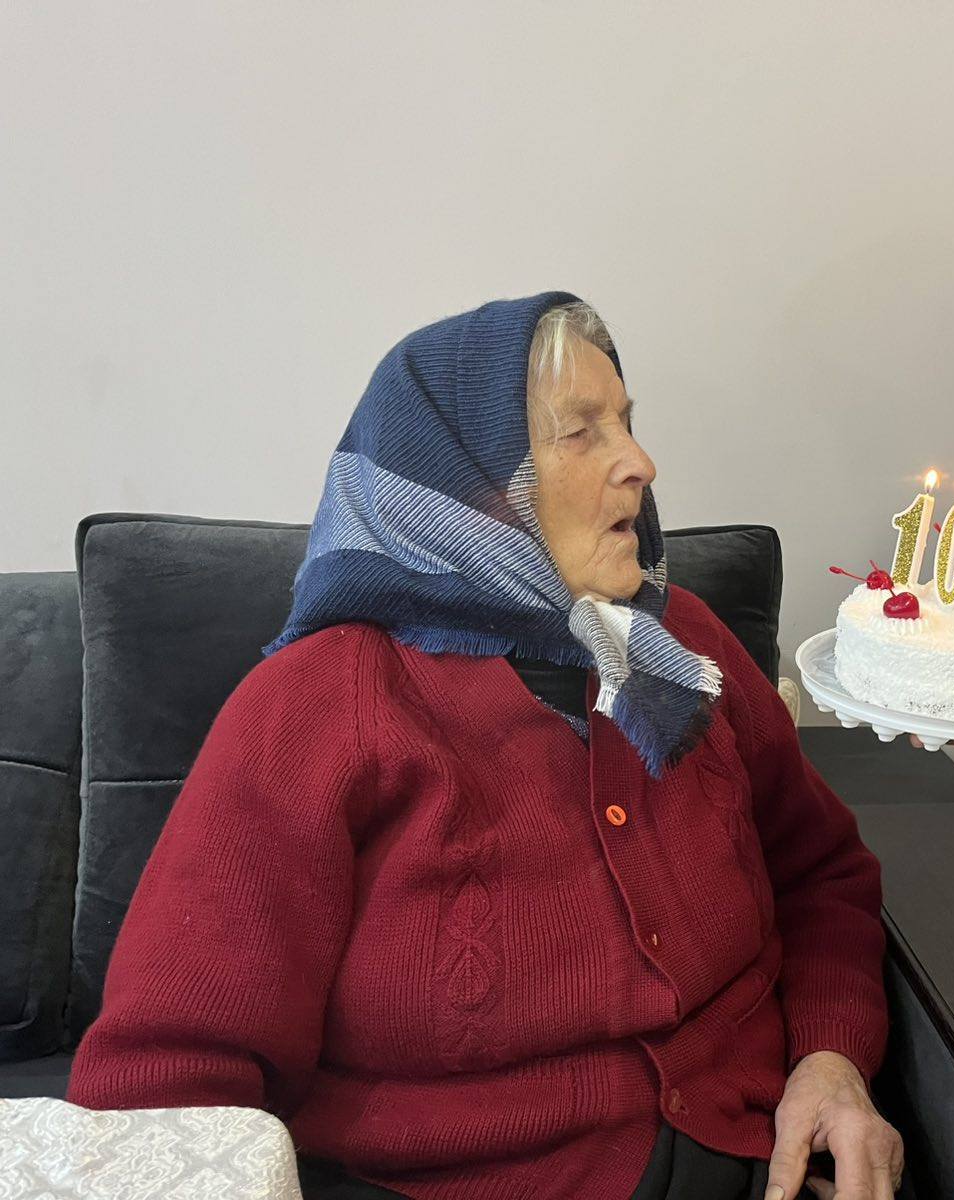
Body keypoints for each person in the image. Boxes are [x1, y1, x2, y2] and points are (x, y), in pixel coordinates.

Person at [67, 294, 904, 1200]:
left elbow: (820, 877)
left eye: (626, 422)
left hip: (754, 1153)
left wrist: (831, 1062)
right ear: (466, 487)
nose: (641, 463)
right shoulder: (318, 705)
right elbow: (169, 1086)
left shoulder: (684, 646)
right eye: (580, 433)